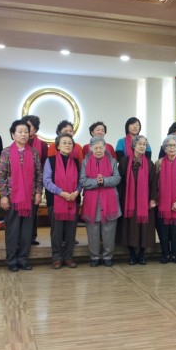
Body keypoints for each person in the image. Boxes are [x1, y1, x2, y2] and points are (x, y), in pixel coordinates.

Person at [0, 119, 43, 272]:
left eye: (26, 132)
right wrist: (4, 196)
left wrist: (38, 192)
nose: (23, 134)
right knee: (12, 231)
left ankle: (23, 259)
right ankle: (11, 260)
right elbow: (1, 176)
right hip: (12, 199)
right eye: (20, 132)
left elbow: (38, 174)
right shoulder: (6, 152)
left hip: (30, 198)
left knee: (26, 232)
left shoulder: (33, 152)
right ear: (13, 134)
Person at [80, 136, 121, 267]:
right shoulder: (85, 161)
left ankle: (108, 256)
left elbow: (117, 178)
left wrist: (104, 180)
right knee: (93, 231)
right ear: (90, 148)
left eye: (101, 147)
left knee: (109, 231)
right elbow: (82, 181)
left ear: (105, 148)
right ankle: (94, 257)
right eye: (96, 148)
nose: (98, 150)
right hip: (92, 202)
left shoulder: (112, 161)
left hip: (110, 201)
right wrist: (96, 182)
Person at [117, 135, 157, 265]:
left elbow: (153, 183)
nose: (142, 146)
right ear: (133, 145)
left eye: (145, 144)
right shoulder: (124, 162)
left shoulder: (150, 164)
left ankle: (141, 254)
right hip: (128, 202)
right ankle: (132, 254)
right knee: (129, 227)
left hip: (144, 202)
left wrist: (152, 199)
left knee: (144, 228)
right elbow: (119, 183)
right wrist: (119, 200)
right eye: (140, 144)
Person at [43, 133, 81, 270]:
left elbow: (81, 181)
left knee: (71, 232)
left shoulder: (76, 162)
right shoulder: (50, 161)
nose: (67, 145)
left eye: (70, 143)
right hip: (56, 200)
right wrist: (62, 193)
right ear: (58, 146)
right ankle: (57, 258)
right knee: (57, 232)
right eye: (64, 142)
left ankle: (68, 257)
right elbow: (47, 181)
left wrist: (77, 192)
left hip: (73, 200)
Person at [155, 135, 176, 264]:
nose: (172, 148)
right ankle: (165, 254)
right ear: (164, 148)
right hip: (162, 204)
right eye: (169, 145)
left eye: (174, 145)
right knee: (163, 232)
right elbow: (154, 184)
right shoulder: (158, 163)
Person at [21, 115, 48, 246]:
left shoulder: (42, 145)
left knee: (33, 210)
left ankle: (31, 236)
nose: (26, 129)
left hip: (35, 182)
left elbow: (43, 165)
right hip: (19, 183)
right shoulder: (18, 143)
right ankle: (19, 237)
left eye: (30, 127)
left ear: (36, 129)